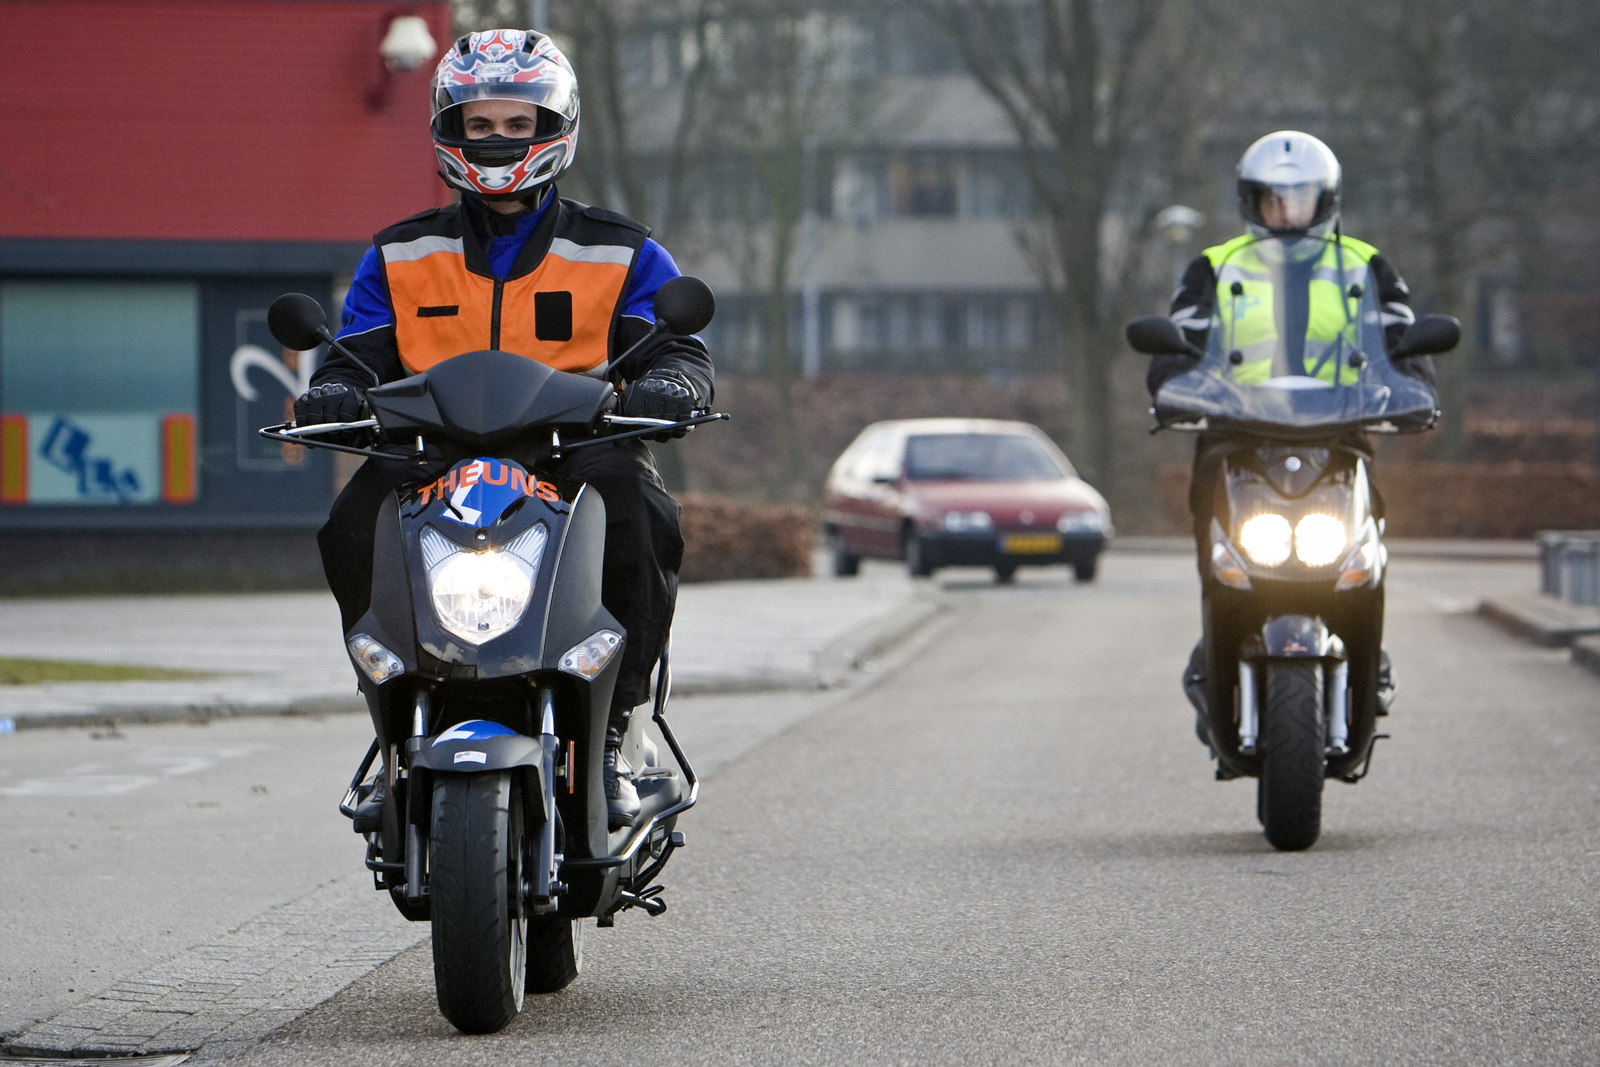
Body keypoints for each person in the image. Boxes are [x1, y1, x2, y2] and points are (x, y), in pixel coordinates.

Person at [296, 29, 713, 830]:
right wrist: (334, 393)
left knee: (646, 514)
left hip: (576, 456)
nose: (497, 141)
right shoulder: (400, 253)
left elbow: (675, 341)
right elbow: (355, 357)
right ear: (448, 129)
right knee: (350, 521)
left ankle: (619, 728)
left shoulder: (620, 249)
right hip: (427, 459)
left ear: (555, 126)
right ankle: (393, 729)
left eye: (516, 124)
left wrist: (672, 384)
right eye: (479, 124)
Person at [1145, 131, 1431, 742]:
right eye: (1273, 199)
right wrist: (1171, 385)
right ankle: (1217, 648)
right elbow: (1181, 341)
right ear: (1252, 201)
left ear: (1325, 199)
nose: (1286, 211)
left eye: (1299, 198)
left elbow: (1401, 342)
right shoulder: (1215, 266)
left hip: (1339, 434)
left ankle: (1367, 651)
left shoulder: (1364, 264)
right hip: (1237, 435)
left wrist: (1414, 390)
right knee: (1221, 556)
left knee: (1363, 551)